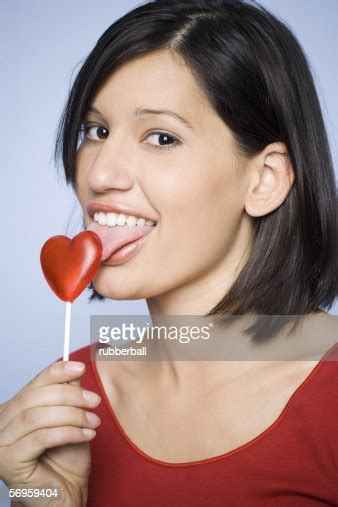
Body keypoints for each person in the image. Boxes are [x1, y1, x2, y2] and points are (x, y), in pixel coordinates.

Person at [1, 0, 337, 505]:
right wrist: (47, 496)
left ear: (264, 179)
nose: (98, 175)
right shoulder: (68, 397)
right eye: (97, 131)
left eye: (161, 137)